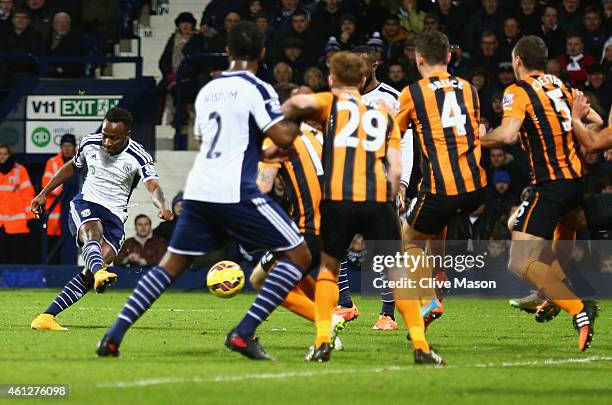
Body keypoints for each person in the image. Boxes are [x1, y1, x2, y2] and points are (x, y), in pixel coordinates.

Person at [96, 22, 310, 361]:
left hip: (198, 190)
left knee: (169, 266)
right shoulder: (259, 87)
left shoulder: (209, 89)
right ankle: (243, 332)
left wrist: (259, 151)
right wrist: (301, 110)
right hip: (237, 191)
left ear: (227, 52)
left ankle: (113, 336)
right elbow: (284, 137)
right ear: (263, 53)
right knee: (299, 255)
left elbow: (212, 140)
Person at [282, 52, 415, 363]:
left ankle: (371, 318)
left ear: (332, 78)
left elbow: (297, 106)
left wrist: (278, 114)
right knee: (373, 262)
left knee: (343, 260)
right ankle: (414, 341)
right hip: (361, 189)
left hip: (357, 191)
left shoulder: (340, 102)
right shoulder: (368, 109)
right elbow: (394, 160)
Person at [480, 35, 599, 352]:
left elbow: (507, 134)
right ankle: (551, 295)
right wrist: (573, 120)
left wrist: (475, 139)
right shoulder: (560, 86)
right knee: (563, 229)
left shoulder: (517, 91)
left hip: (551, 185)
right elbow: (597, 121)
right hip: (576, 183)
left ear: (517, 61)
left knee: (518, 262)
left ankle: (577, 307)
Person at [30, 107, 174, 331]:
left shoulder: (138, 155)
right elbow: (72, 166)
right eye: (105, 134)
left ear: (128, 135)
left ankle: (46, 317)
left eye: (114, 138)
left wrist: (163, 204)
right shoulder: (90, 143)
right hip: (86, 204)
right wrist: (44, 193)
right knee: (93, 236)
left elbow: (153, 185)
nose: (107, 142)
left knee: (91, 271)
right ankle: (99, 271)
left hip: (115, 217)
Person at [395, 31, 488, 363]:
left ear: (419, 59)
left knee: (409, 239)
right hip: (475, 186)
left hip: (441, 187)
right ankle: (439, 272)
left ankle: (429, 298)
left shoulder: (412, 92)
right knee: (436, 219)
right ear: (448, 58)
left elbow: (396, 136)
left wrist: (393, 177)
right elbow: (475, 131)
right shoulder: (470, 89)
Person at [41, 133, 77, 263]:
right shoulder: (53, 162)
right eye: (64, 146)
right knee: (53, 249)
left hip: (74, 211)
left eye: (70, 146)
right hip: (55, 213)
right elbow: (46, 184)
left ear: (74, 147)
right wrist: (64, 186)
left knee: (73, 244)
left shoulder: (81, 161)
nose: (67, 148)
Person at [0, 144, 35, 264]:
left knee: (16, 258)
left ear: (9, 155)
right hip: (1, 223)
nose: (2, 157)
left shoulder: (20, 171)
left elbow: (27, 195)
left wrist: (30, 217)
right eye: (0, 154)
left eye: (4, 154)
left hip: (17, 223)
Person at [45, 12, 84, 78]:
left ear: (69, 25)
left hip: (68, 75)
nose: (62, 25)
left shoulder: (76, 40)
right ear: (53, 25)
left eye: (65, 23)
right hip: (47, 73)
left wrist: (59, 69)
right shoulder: (47, 38)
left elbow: (76, 61)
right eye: (59, 23)